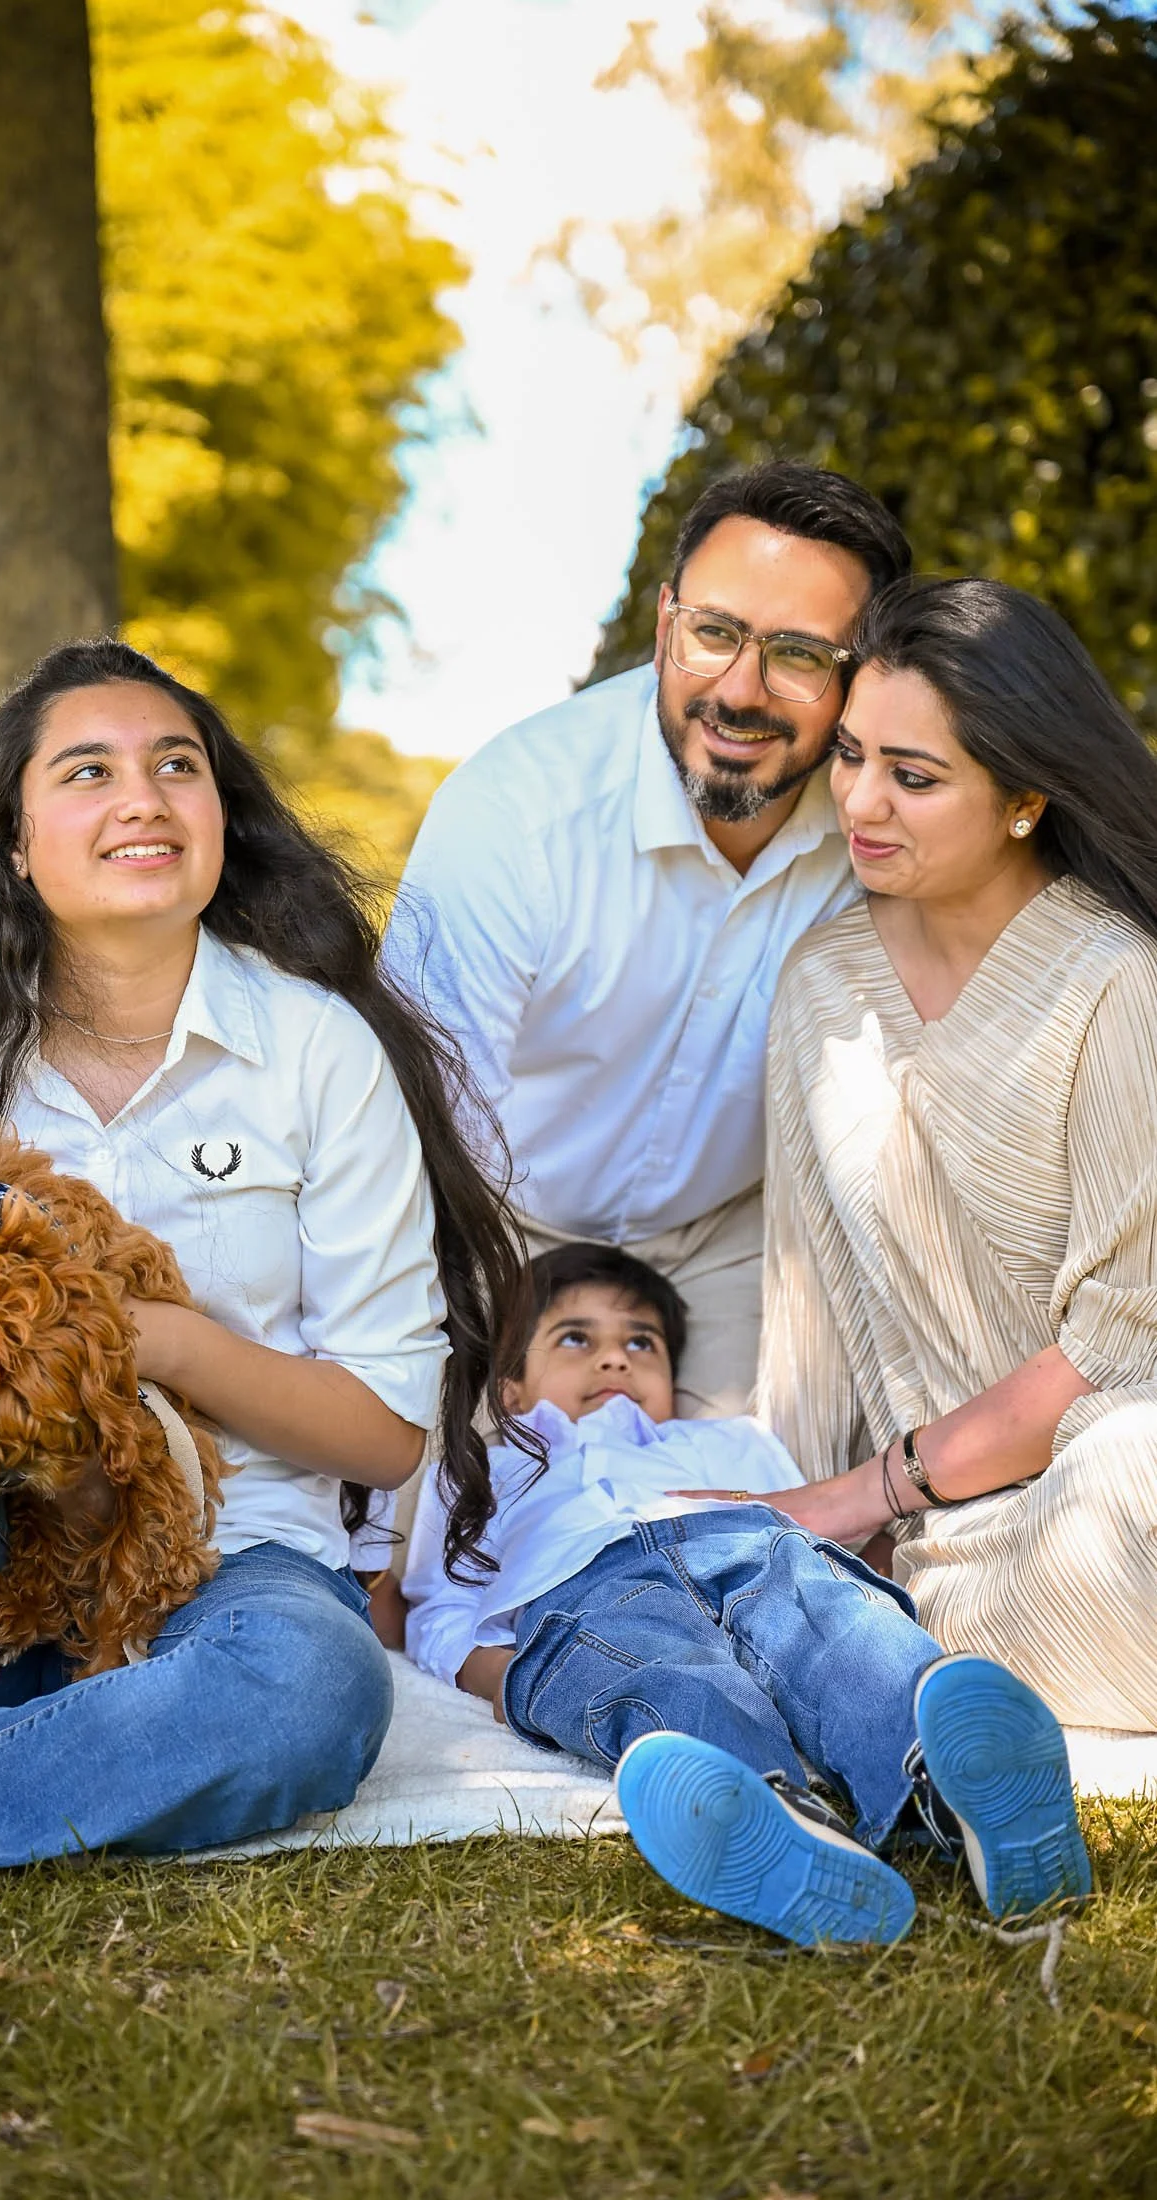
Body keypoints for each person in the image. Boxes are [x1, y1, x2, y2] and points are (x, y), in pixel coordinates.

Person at [0, 638, 525, 1916]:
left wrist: (153, 1342)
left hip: (221, 1573)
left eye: (175, 765)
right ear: (18, 845)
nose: (142, 796)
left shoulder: (319, 1052)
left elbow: (385, 1434)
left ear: (220, 824)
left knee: (317, 1695)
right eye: (89, 770)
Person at [384, 462, 912, 1421]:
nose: (739, 692)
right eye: (713, 635)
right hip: (499, 1222)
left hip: (733, 1238)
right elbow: (416, 1136)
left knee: (751, 1513)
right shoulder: (515, 811)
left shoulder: (886, 820)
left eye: (797, 655)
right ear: (667, 622)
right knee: (460, 1525)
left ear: (861, 677)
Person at [404, 1243, 1090, 1945]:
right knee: (662, 1680)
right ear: (510, 1387)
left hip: (745, 1546)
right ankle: (770, 1819)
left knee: (835, 1633)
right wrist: (492, 1671)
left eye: (641, 1342)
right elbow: (439, 1603)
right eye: (575, 1338)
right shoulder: (481, 1465)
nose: (615, 1359)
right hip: (590, 1594)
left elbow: (817, 1535)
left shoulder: (730, 1439)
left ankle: (952, 1777)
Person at [755, 576, 1157, 1732]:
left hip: (1101, 1488)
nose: (859, 804)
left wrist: (863, 1492)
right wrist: (804, 1508)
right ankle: (905, 1664)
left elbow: (1121, 1350)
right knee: (717, 1561)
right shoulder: (820, 978)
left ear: (1026, 797)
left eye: (913, 776)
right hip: (933, 1540)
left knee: (1128, 1471)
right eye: (849, 755)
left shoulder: (1115, 980)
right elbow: (811, 1299)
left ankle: (916, 1677)